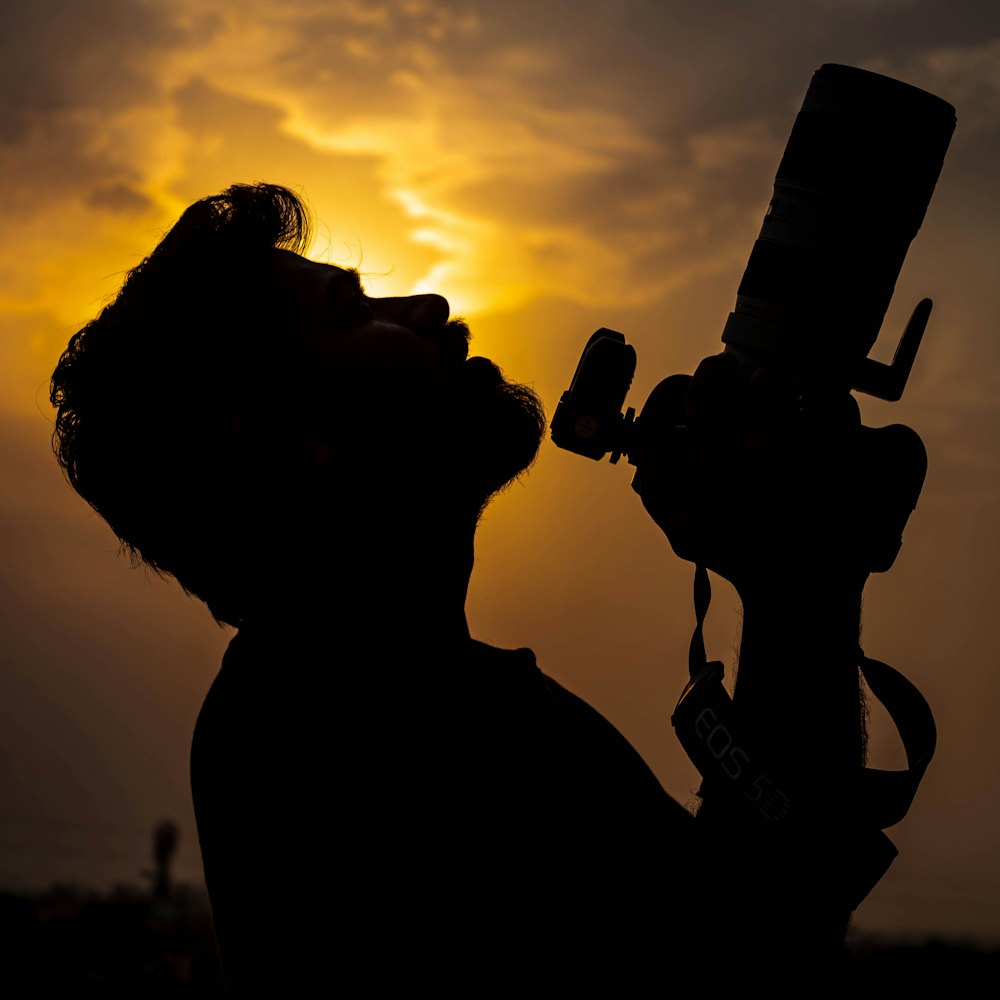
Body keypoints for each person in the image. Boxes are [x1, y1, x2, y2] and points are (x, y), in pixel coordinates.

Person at [51, 183, 877, 990]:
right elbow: (764, 959)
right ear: (291, 437)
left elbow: (755, 919)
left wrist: (798, 583)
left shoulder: (337, 707)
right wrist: (801, 587)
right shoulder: (355, 734)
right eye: (356, 313)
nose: (434, 309)